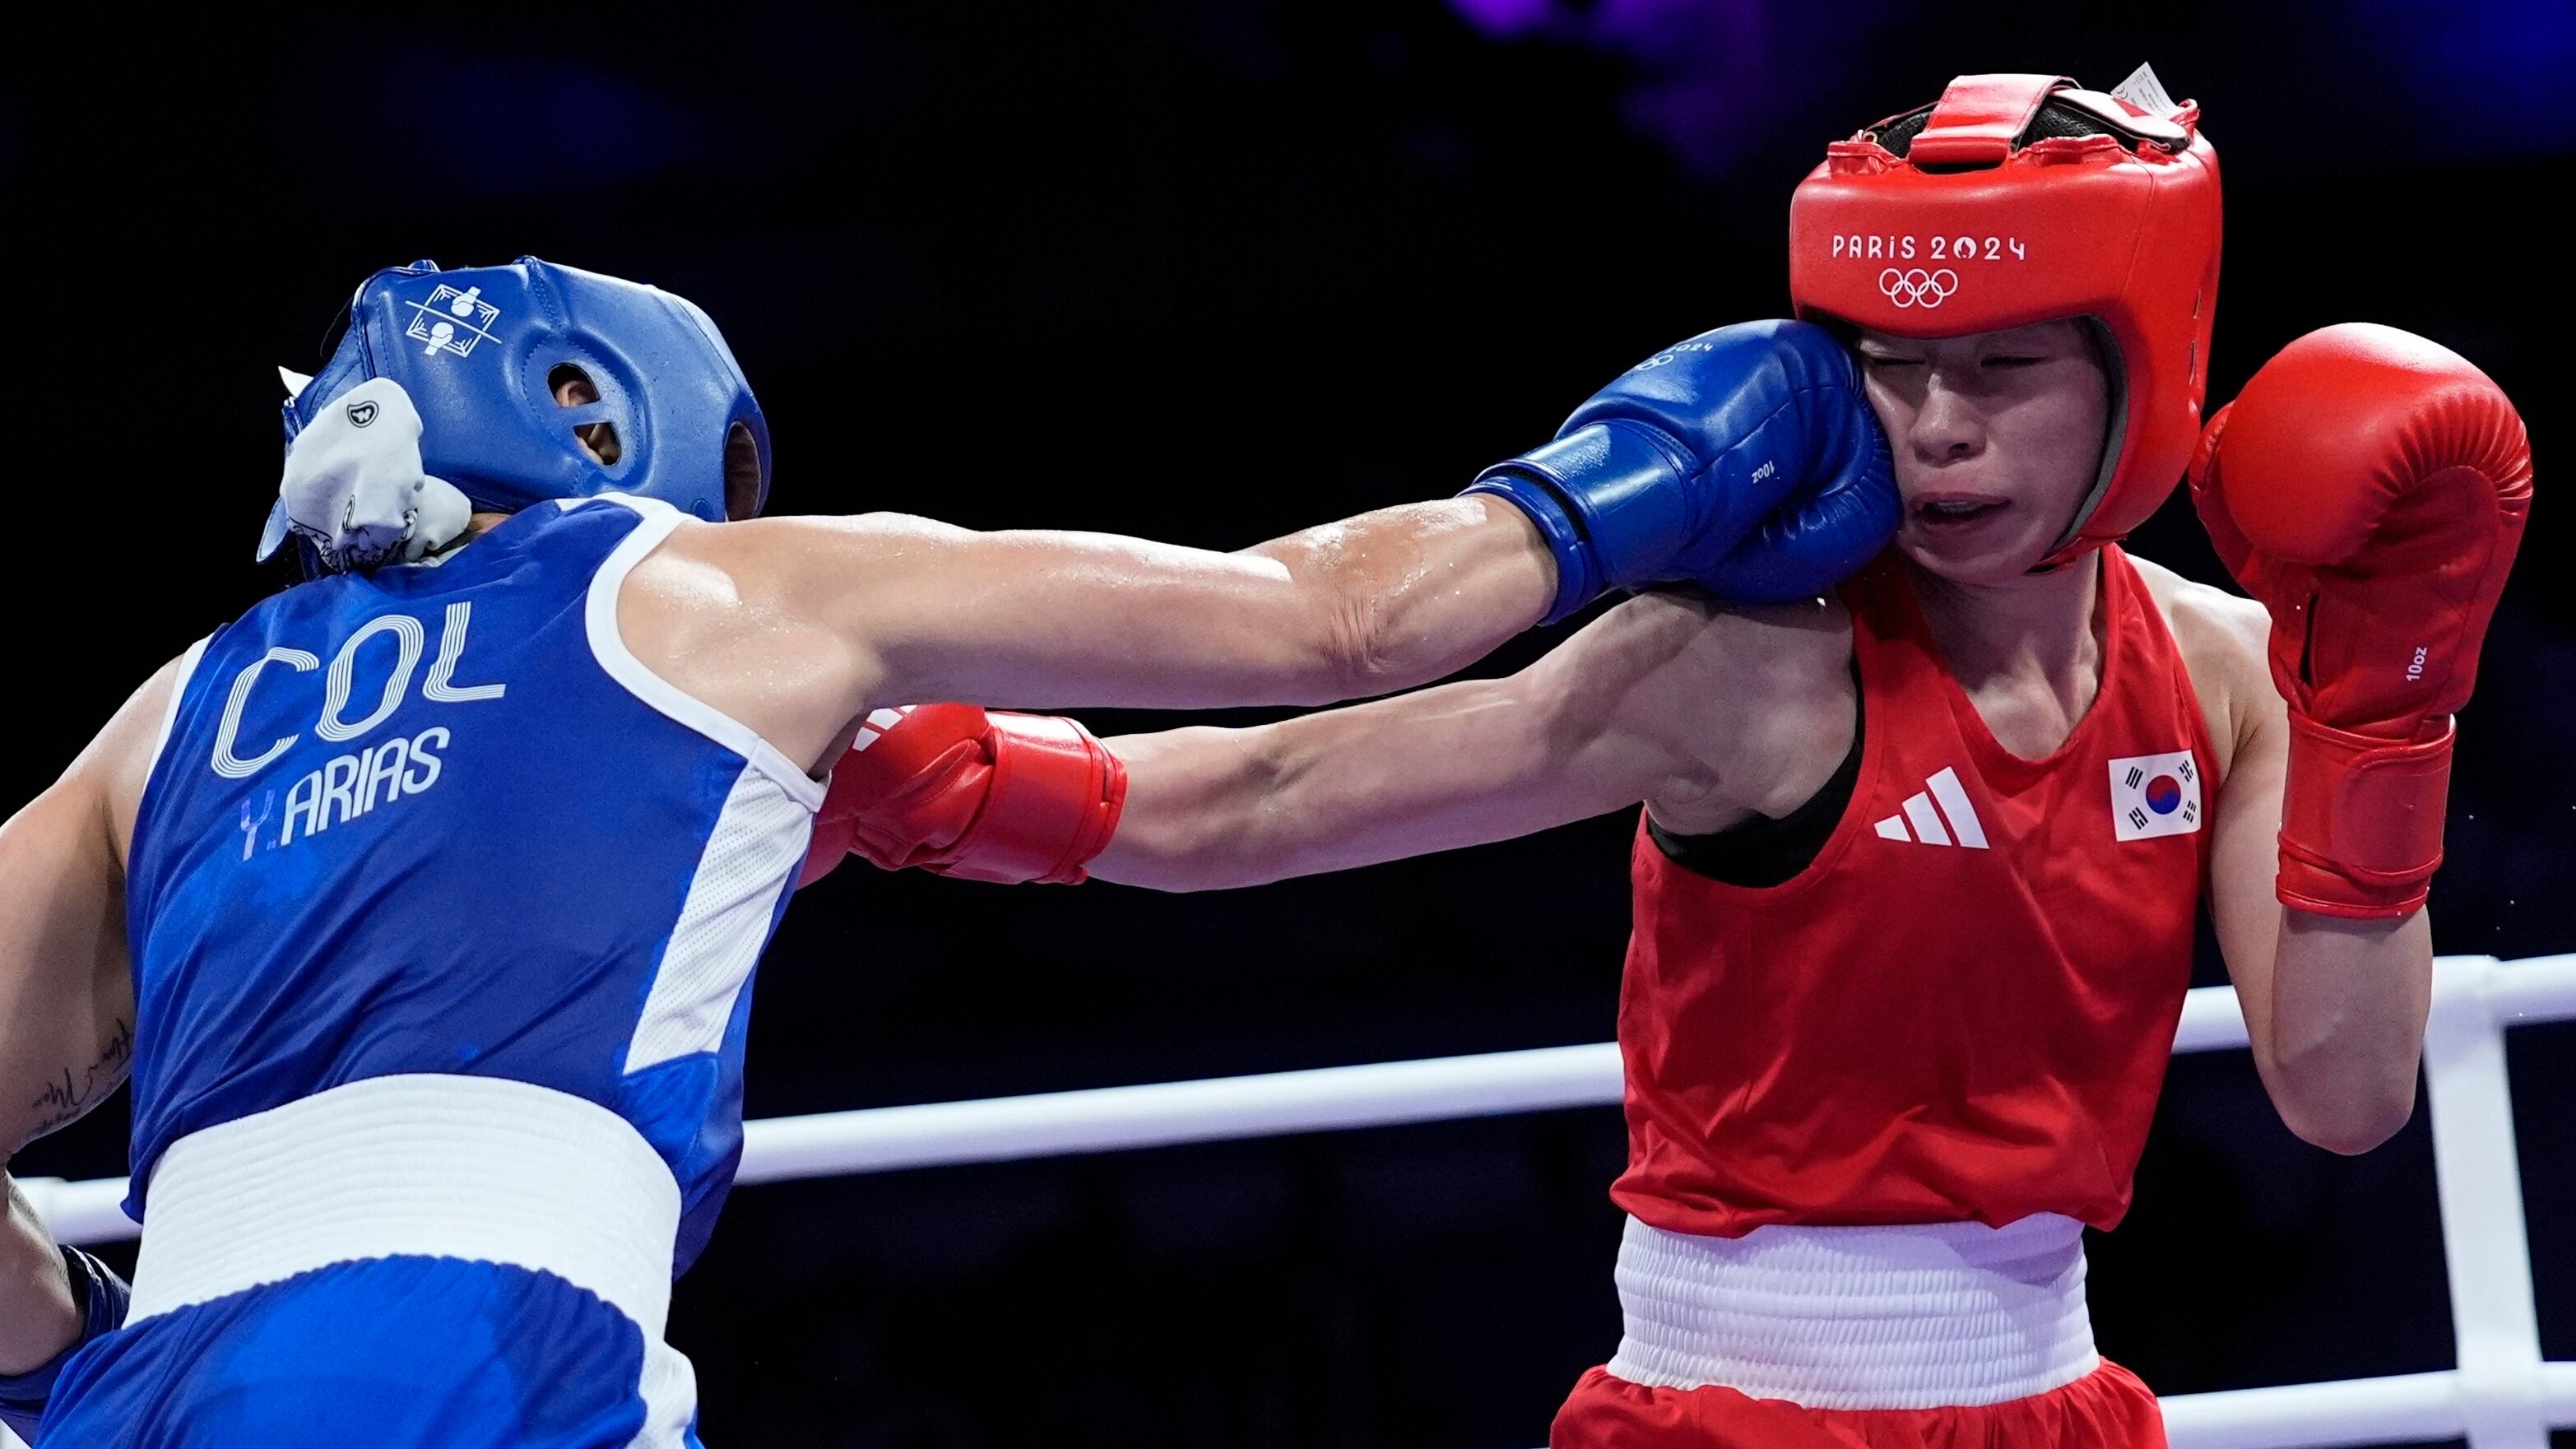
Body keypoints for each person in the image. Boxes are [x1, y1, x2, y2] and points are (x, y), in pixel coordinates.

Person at [804, 73, 2534, 1447]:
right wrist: (923, 779)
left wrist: (2386, 711)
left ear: (2143, 373)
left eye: (2003, 368)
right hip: (1729, 1408)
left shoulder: (2233, 669)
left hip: (2059, 1395)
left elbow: (2349, 1089)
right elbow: (1268, 795)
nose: (1937, 426)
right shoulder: (1744, 662)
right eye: (1893, 363)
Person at [0, 252, 1892, 1445]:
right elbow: (1329, 620)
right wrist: (1644, 468)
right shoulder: (715, 585)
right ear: (611, 420)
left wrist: (88, 1342)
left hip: (147, 1388)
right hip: (472, 1345)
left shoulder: (169, 714)